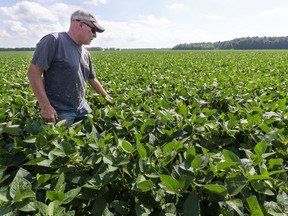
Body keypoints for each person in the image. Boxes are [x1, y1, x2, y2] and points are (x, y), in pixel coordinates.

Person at [27, 9, 113, 126]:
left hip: (82, 107)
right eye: (93, 30)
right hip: (59, 112)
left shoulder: (85, 52)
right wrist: (45, 106)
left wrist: (107, 97)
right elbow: (33, 73)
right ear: (80, 24)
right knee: (62, 142)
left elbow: (92, 79)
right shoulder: (54, 40)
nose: (95, 35)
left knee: (87, 138)